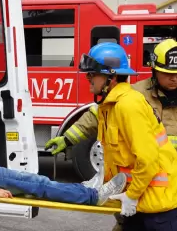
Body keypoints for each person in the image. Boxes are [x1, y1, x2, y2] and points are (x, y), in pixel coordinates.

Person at [45, 39, 177, 231]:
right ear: (154, 70)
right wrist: (68, 138)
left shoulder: (129, 102)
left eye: (176, 73)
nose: (174, 78)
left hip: (161, 197)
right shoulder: (132, 95)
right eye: (167, 73)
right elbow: (96, 117)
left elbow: (148, 158)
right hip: (140, 193)